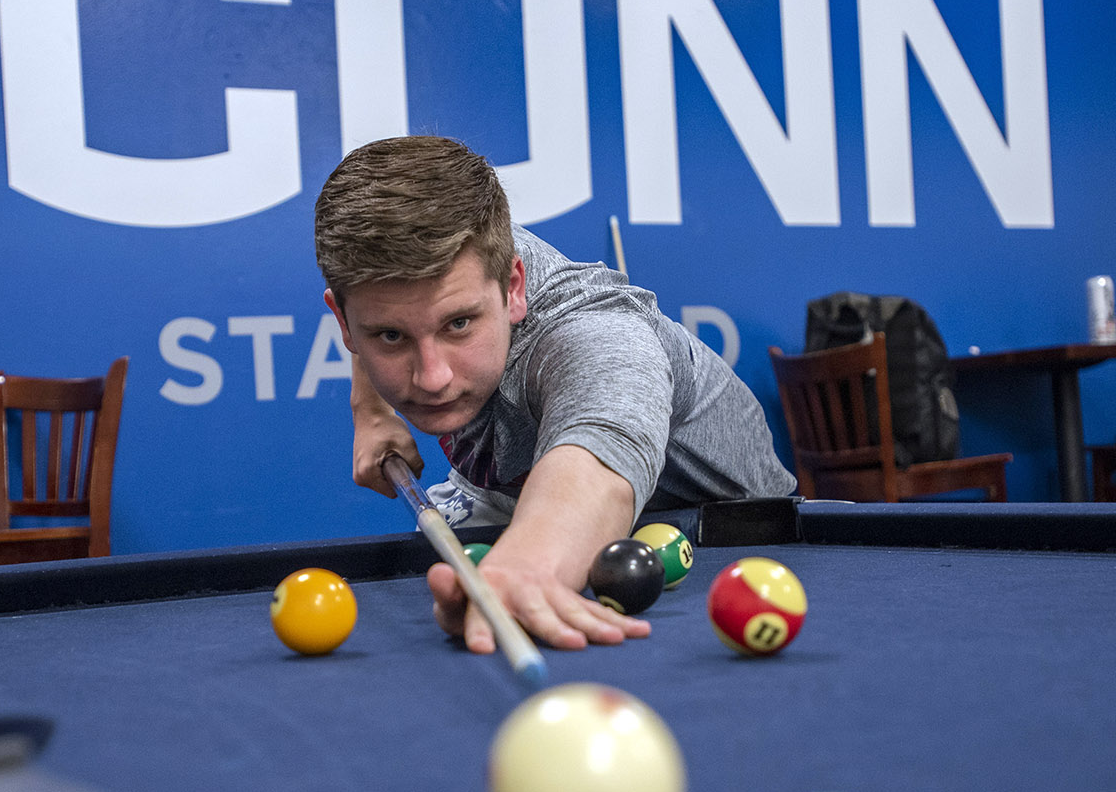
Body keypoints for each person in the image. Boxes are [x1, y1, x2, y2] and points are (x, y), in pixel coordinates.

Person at [314, 136, 795, 654]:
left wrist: (529, 565)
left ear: (513, 288)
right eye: (392, 337)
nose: (432, 377)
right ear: (344, 321)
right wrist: (370, 409)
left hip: (731, 526)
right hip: (515, 492)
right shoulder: (424, 267)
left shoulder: (590, 333)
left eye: (459, 324)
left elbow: (603, 444)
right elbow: (391, 306)